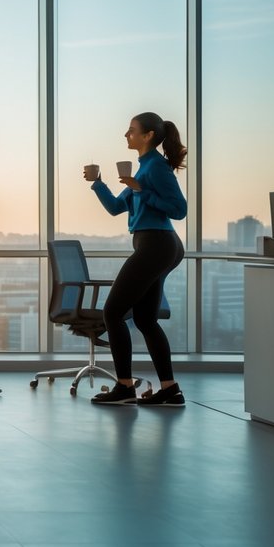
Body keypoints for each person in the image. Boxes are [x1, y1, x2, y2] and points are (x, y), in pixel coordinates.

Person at [85, 112, 188, 407]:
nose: (126, 135)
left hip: (158, 243)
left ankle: (124, 387)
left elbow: (179, 209)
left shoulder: (156, 167)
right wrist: (98, 183)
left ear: (148, 136)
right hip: (154, 244)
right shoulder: (142, 170)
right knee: (144, 318)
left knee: (113, 313)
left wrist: (143, 192)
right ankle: (170, 390)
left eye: (131, 131)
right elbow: (117, 208)